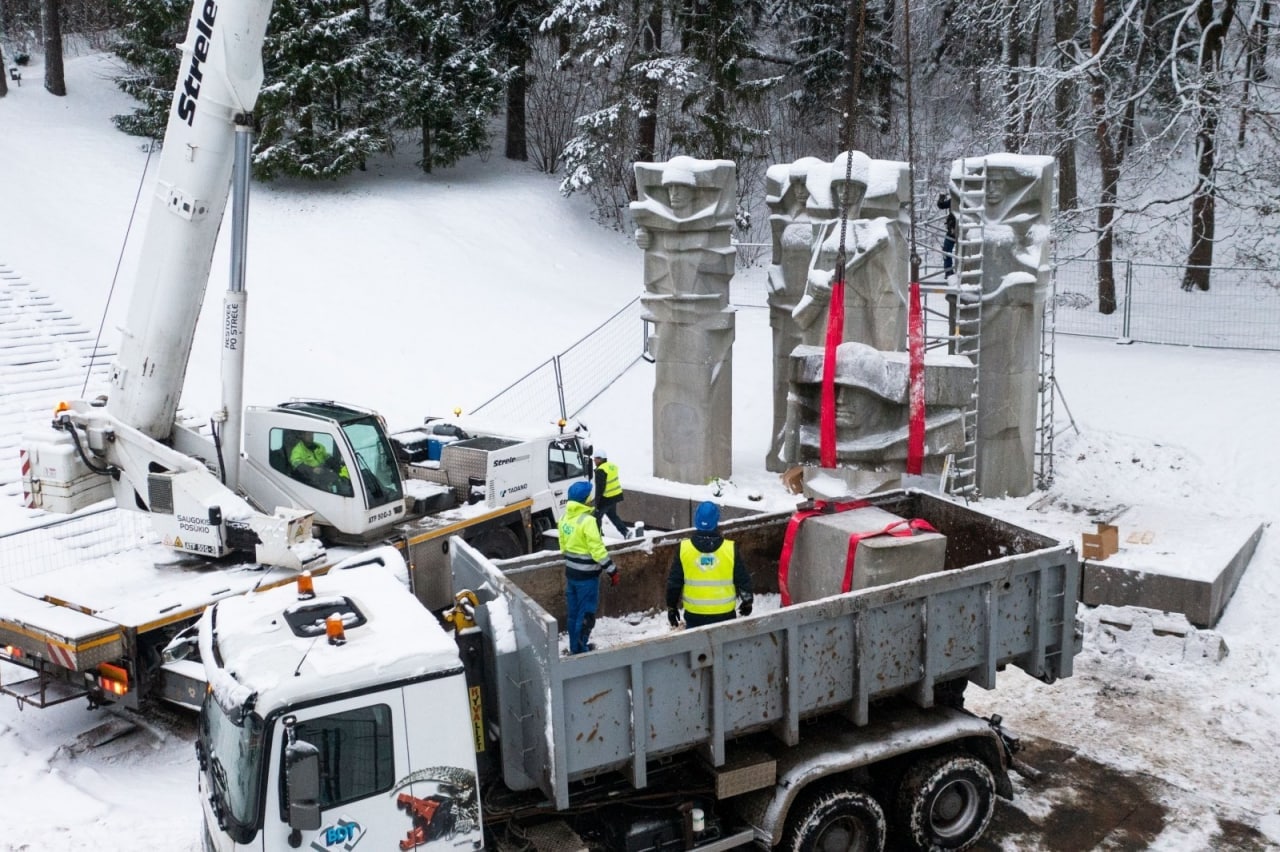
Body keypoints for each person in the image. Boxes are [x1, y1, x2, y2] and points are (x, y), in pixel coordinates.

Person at [666, 501, 753, 629]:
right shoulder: (730, 549)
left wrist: (671, 606)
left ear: (696, 520)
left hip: (694, 616)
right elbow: (742, 579)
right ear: (716, 521)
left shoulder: (684, 549)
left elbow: (674, 582)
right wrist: (747, 602)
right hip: (724, 616)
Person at [559, 480, 619, 654]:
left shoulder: (564, 518)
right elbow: (597, 550)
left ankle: (574, 646)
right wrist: (612, 569)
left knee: (573, 614)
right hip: (587, 578)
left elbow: (563, 547)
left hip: (571, 575)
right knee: (586, 616)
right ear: (585, 501)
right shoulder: (588, 521)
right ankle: (580, 650)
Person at [591, 449, 634, 538]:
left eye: (595, 459)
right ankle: (625, 532)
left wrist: (596, 503)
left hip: (606, 498)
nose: (594, 461)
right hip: (615, 496)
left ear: (600, 459)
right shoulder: (611, 466)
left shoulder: (601, 471)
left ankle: (599, 536)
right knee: (613, 516)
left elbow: (600, 489)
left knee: (596, 517)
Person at [937, 193, 957, 278]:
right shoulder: (954, 201)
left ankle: (950, 272)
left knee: (948, 251)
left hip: (961, 230)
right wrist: (941, 198)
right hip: (952, 231)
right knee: (946, 251)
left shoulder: (965, 201)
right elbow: (941, 205)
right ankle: (949, 272)